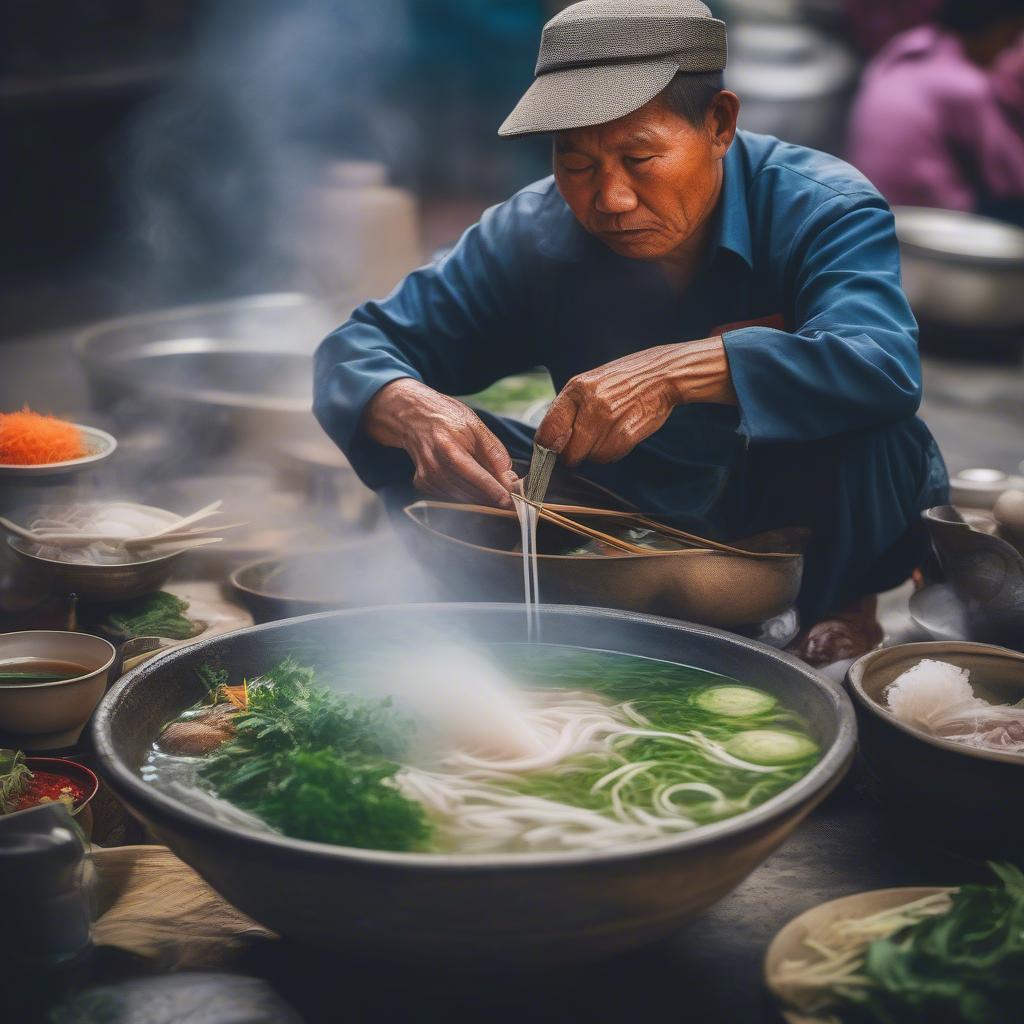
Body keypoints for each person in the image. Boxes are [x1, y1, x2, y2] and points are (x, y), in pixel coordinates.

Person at [314, 0, 949, 665]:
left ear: (719, 123)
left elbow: (881, 362)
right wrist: (410, 409)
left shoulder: (822, 206)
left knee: (883, 434)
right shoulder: (529, 233)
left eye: (640, 157)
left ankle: (842, 601)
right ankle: (502, 603)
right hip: (616, 502)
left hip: (788, 504)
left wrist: (675, 373)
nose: (609, 199)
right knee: (417, 437)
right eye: (578, 164)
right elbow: (354, 351)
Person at [848, 0, 1024, 224]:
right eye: (1009, 41)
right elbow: (1010, 178)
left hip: (868, 207)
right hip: (925, 222)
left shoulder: (905, 47)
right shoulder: (964, 86)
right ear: (999, 33)